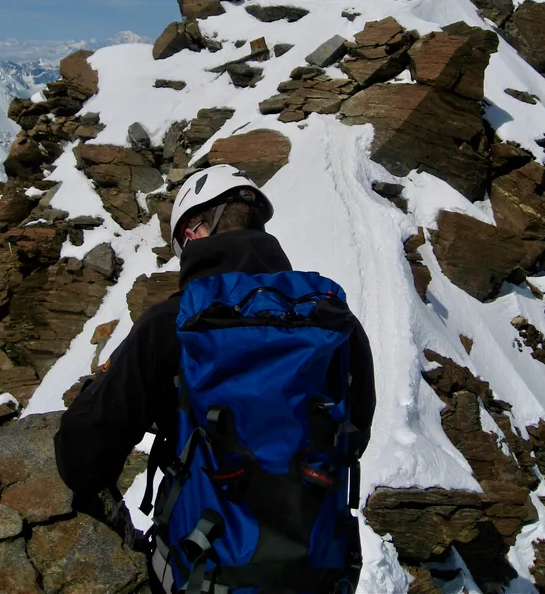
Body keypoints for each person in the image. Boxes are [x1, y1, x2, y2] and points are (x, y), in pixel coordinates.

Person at [55, 164, 376, 593]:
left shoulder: (172, 323)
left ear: (195, 231)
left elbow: (82, 455)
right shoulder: (334, 322)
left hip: (202, 574)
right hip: (317, 573)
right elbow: (356, 430)